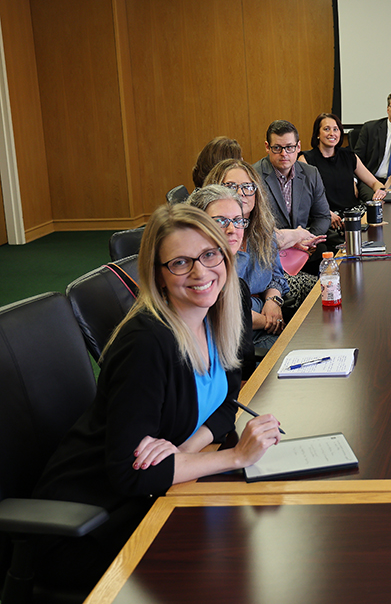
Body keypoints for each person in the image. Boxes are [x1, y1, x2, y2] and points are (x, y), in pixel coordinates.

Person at [32, 203, 282, 589]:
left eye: (209, 254)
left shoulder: (219, 316)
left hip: (158, 493)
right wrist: (235, 457)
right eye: (180, 263)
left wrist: (183, 452)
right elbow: (131, 474)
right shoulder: (147, 345)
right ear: (159, 276)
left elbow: (227, 402)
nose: (201, 272)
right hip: (95, 523)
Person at [205, 159, 290, 350]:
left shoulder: (262, 229)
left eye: (247, 187)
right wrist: (268, 321)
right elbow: (221, 310)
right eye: (231, 186)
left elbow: (276, 275)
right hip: (233, 337)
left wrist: (273, 300)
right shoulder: (209, 242)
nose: (241, 193)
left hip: (265, 320)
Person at [186, 184, 257, 376]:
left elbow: (244, 364)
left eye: (237, 220)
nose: (232, 229)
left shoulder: (237, 288)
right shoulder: (189, 291)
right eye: (220, 221)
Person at [254, 119, 330, 270]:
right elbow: (254, 227)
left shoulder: (311, 173)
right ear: (267, 147)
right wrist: (291, 240)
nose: (284, 154)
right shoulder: (254, 176)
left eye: (289, 147)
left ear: (298, 147)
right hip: (271, 254)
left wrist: (307, 239)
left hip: (306, 249)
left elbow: (322, 216)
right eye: (277, 148)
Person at [300, 112, 388, 232]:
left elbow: (374, 183)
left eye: (335, 129)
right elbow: (303, 197)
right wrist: (325, 213)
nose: (332, 133)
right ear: (317, 134)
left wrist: (380, 192)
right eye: (326, 129)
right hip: (326, 215)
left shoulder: (349, 156)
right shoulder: (305, 159)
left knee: (380, 227)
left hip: (352, 213)